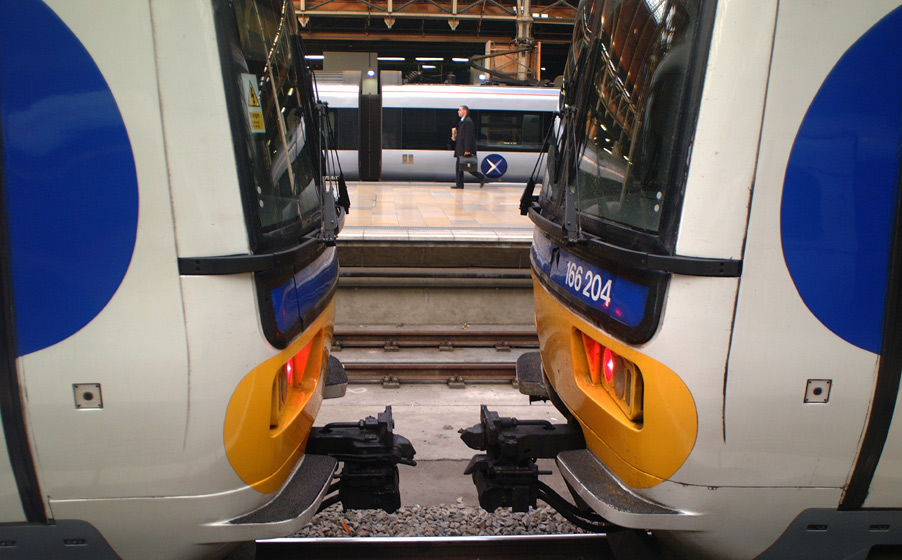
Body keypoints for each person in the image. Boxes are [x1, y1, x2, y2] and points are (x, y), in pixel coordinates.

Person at [451, 105, 485, 189]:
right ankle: (459, 184)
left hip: (464, 149)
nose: (458, 112)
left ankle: (481, 177)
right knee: (459, 168)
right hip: (460, 148)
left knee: (467, 167)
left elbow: (468, 137)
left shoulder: (468, 122)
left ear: (465, 111)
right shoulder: (462, 121)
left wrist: (467, 150)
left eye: (460, 110)